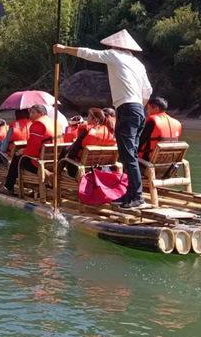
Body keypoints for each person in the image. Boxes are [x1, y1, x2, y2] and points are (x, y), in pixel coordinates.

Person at [54, 29, 152, 209]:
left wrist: (63, 49)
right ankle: (130, 194)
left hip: (128, 108)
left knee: (128, 155)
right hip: (138, 110)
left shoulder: (115, 55)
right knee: (128, 154)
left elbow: (88, 54)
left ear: (115, 45)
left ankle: (137, 197)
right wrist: (138, 106)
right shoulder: (138, 63)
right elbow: (148, 91)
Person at [4, 104, 55, 193]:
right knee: (20, 154)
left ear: (41, 113)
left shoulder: (38, 124)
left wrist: (22, 151)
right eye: (30, 112)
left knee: (17, 157)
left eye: (33, 112)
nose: (30, 115)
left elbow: (32, 148)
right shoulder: (53, 123)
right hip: (52, 161)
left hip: (38, 163)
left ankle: (8, 187)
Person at [139, 97, 182, 161]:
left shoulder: (152, 122)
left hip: (149, 160)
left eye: (148, 108)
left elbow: (140, 141)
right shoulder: (177, 123)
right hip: (170, 161)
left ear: (156, 108)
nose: (147, 111)